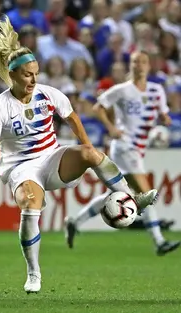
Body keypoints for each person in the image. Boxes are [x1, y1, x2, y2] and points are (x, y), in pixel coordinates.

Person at [0, 17, 158, 294]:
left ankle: (132, 198)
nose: (33, 79)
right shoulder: (0, 107)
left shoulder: (48, 94)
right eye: (27, 74)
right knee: (30, 204)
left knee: (92, 155)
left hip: (51, 158)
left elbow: (72, 118)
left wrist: (88, 148)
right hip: (21, 168)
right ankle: (34, 274)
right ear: (13, 76)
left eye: (36, 73)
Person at [64, 51, 181, 256]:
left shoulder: (156, 90)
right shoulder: (121, 90)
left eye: (143, 62)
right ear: (131, 65)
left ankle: (75, 221)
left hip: (139, 149)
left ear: (148, 65)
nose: (139, 65)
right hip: (124, 147)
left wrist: (164, 119)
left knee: (117, 194)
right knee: (146, 195)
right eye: (135, 62)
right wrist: (111, 128)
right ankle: (159, 241)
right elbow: (98, 107)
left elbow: (163, 113)